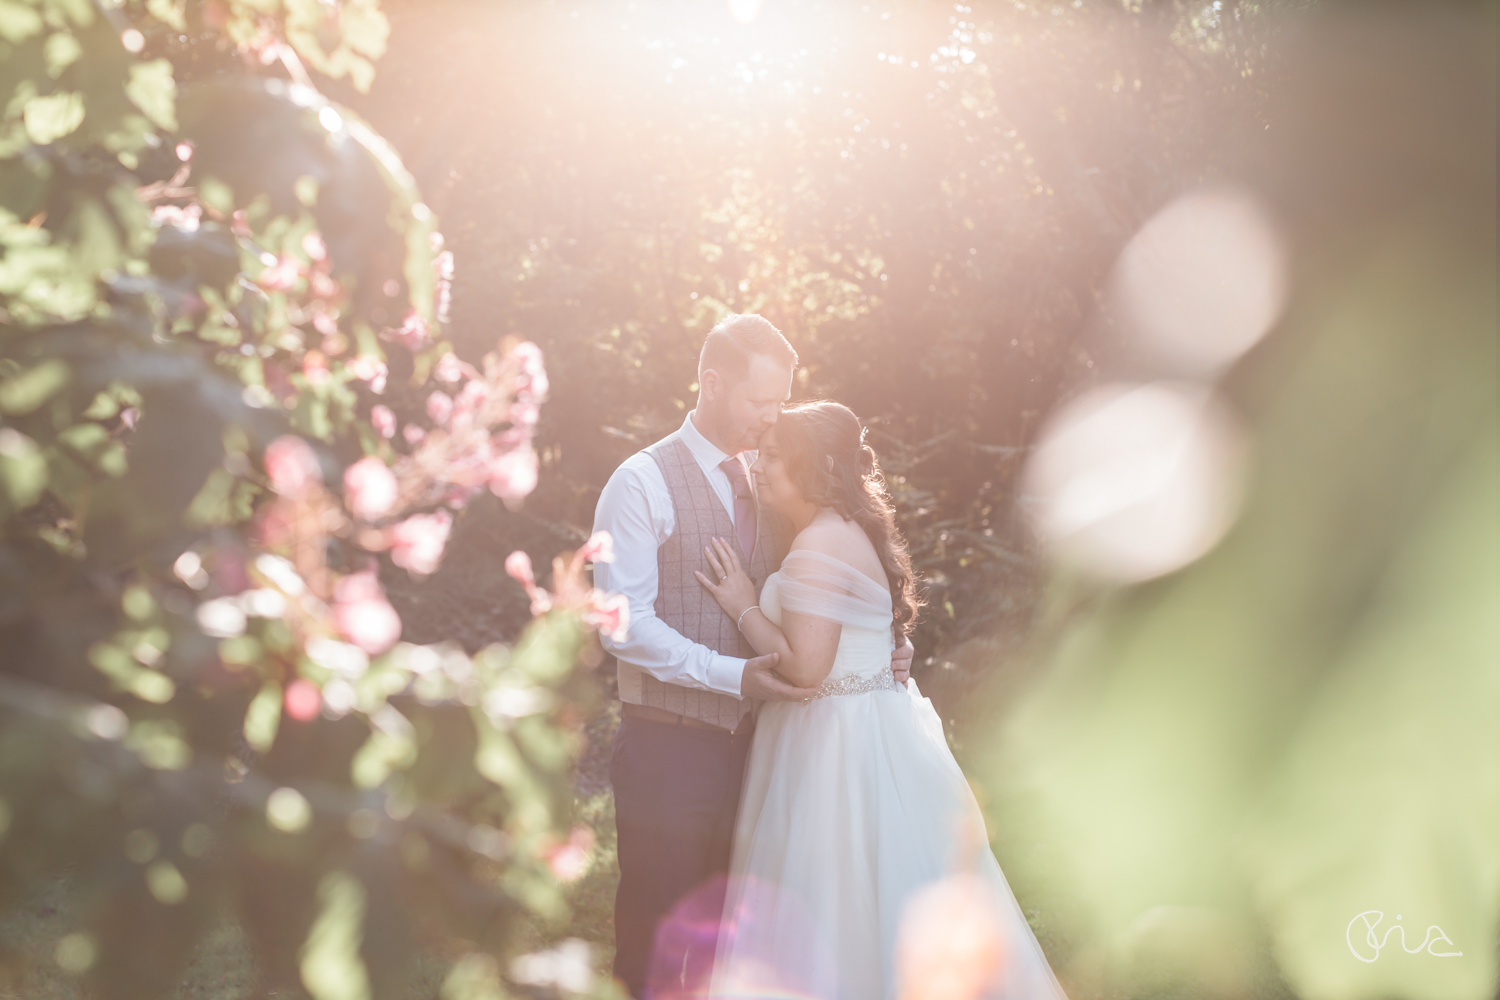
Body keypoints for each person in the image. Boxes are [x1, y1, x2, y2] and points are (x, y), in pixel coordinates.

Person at [695, 400, 1070, 1000]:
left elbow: (805, 670)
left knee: (830, 901)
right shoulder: (850, 530)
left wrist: (742, 602)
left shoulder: (817, 544)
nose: (756, 466)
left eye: (772, 457)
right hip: (871, 730)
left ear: (814, 467)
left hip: (832, 747)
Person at [591, 316, 914, 998]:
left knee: (737, 951)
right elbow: (621, 624)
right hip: (672, 755)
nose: (772, 420)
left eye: (781, 402)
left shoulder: (778, 482)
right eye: (760, 402)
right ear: (713, 384)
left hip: (767, 756)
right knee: (654, 946)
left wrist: (884, 643)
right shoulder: (640, 482)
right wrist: (729, 675)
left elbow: (835, 584)